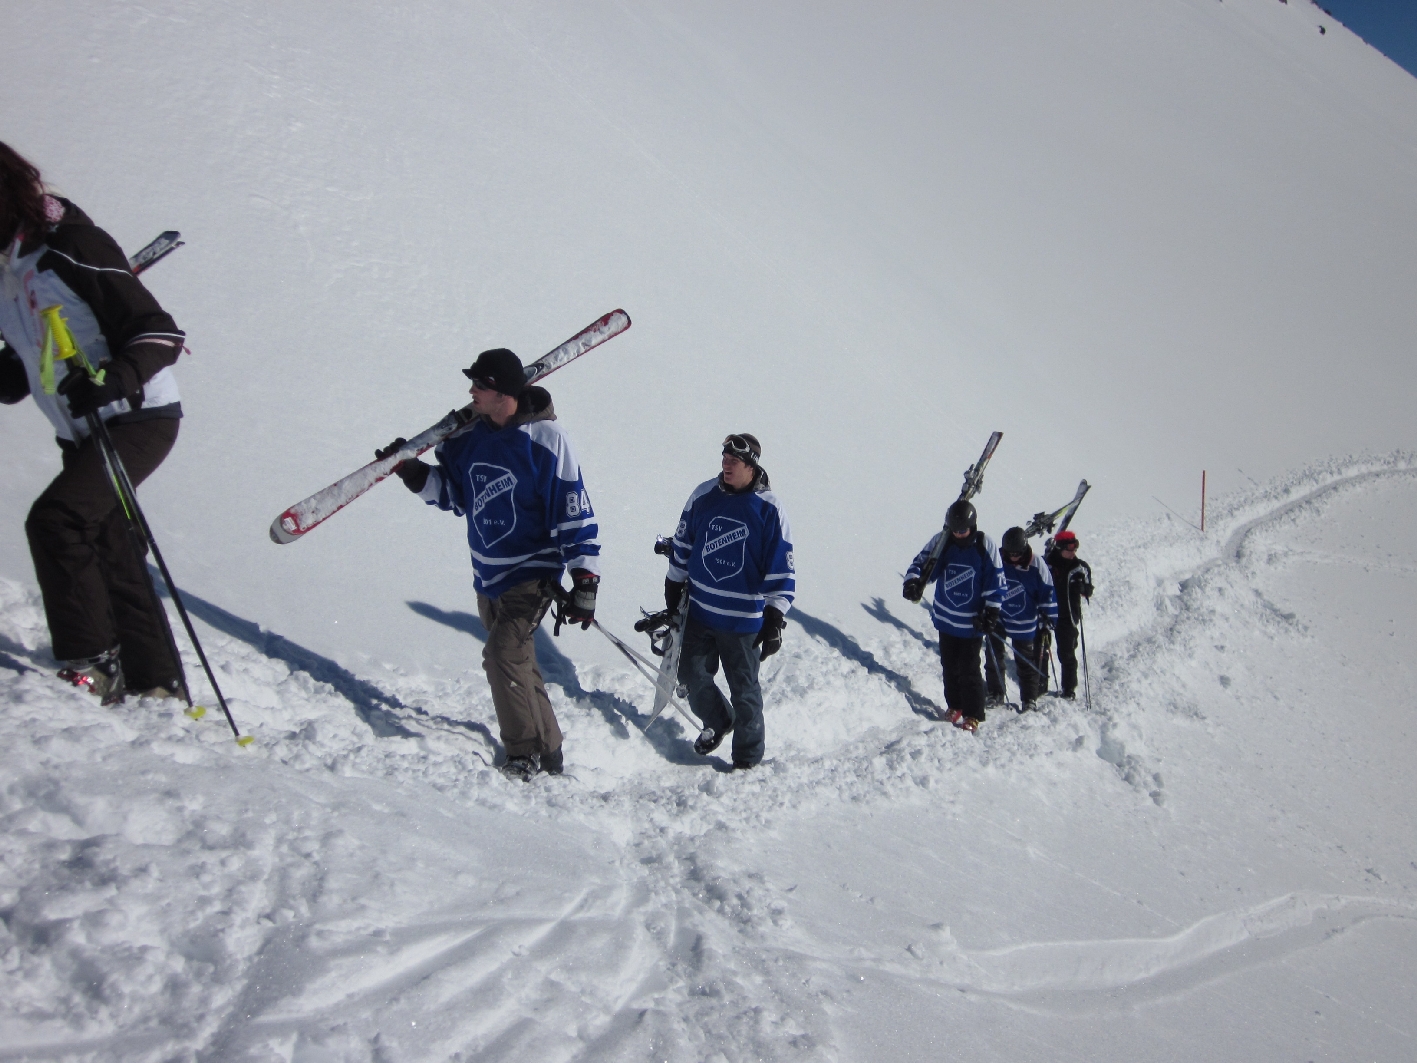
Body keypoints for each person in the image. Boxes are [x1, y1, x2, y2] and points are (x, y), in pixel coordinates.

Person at [0, 142, 186, 704]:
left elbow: (159, 332)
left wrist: (111, 379)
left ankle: (92, 664)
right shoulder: (7, 275)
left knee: (57, 521)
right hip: (80, 429)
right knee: (111, 544)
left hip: (137, 417)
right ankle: (157, 683)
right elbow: (20, 375)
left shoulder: (73, 247)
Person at [378, 348, 600, 781]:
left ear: (504, 393)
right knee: (517, 662)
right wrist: (413, 473)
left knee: (503, 654)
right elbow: (454, 496)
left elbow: (572, 507)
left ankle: (522, 753)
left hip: (533, 572)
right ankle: (550, 750)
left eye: (480, 385)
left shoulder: (546, 439)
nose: (471, 391)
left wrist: (585, 579)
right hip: (488, 573)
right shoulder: (464, 439)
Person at [665, 433, 794, 770]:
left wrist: (775, 618)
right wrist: (673, 583)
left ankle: (747, 759)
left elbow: (782, 567)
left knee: (745, 692)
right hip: (701, 612)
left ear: (751, 466)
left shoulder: (769, 507)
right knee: (691, 677)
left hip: (743, 622)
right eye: (724, 459)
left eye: (734, 461)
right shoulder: (704, 494)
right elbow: (683, 541)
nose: (726, 465)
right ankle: (719, 720)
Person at [902, 500, 1007, 732]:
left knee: (969, 668)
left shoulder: (984, 545)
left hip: (971, 623)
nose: (959, 535)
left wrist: (992, 611)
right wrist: (913, 582)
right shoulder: (942, 541)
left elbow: (996, 580)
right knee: (949, 666)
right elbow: (922, 562)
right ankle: (955, 704)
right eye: (955, 530)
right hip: (946, 619)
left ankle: (973, 713)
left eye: (963, 530)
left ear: (973, 526)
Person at [988, 526, 1058, 711]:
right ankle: (995, 693)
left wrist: (1049, 617)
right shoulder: (997, 560)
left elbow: (1048, 591)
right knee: (993, 656)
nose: (1013, 558)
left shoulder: (1036, 564)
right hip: (999, 616)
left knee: (1025, 661)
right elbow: (985, 583)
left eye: (1017, 554)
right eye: (1009, 553)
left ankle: (1029, 698)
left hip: (1024, 619)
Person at [1044, 529, 1093, 700]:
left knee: (1067, 653)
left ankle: (1069, 688)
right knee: (1041, 650)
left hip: (1068, 615)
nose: (1073, 553)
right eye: (1069, 549)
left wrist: (1083, 588)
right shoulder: (1047, 565)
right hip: (1047, 613)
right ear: (1059, 548)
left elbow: (1089, 590)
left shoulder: (1080, 567)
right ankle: (1040, 686)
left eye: (1075, 549)